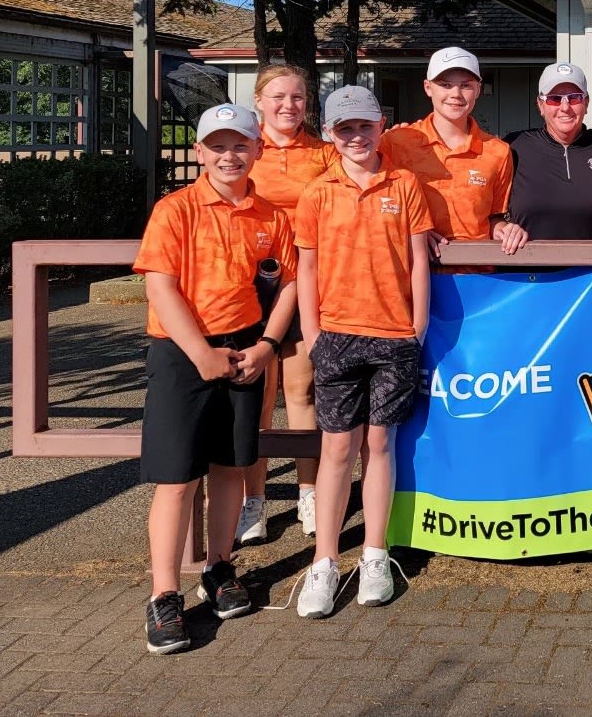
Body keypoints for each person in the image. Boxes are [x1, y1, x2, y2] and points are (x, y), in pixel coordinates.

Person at [133, 103, 297, 654]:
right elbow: (161, 286)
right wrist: (200, 351)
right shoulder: (175, 210)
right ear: (200, 152)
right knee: (177, 478)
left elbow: (289, 284)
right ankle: (163, 594)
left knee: (232, 465)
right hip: (183, 352)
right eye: (218, 146)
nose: (230, 155)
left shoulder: (272, 215)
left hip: (246, 347)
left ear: (257, 150)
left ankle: (221, 566)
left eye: (241, 144)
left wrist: (268, 346)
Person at [293, 85, 435, 617]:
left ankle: (374, 553)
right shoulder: (317, 192)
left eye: (364, 126)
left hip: (394, 335)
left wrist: (416, 325)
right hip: (336, 334)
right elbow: (306, 266)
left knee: (380, 443)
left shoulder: (406, 183)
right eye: (344, 128)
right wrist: (311, 332)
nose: (356, 137)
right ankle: (324, 562)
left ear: (382, 127)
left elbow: (419, 259)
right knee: (335, 449)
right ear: (331, 134)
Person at [237, 64, 335, 545]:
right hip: (248, 287)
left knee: (301, 392)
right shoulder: (242, 148)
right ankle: (251, 500)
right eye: (278, 96)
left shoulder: (324, 152)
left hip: (307, 284)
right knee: (255, 395)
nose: (288, 105)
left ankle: (309, 492)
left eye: (297, 97)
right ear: (259, 100)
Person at [378, 46, 527, 253]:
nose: (456, 94)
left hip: (477, 274)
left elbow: (494, 217)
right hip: (412, 273)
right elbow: (372, 206)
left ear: (478, 89)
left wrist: (505, 230)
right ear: (428, 87)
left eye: (465, 85)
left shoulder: (498, 152)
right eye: (445, 85)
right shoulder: (394, 143)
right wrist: (415, 230)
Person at [503, 62, 592, 239]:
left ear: (586, 103)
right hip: (529, 264)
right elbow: (484, 205)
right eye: (554, 99)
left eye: (574, 98)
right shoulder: (514, 147)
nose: (565, 107)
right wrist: (501, 226)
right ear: (540, 105)